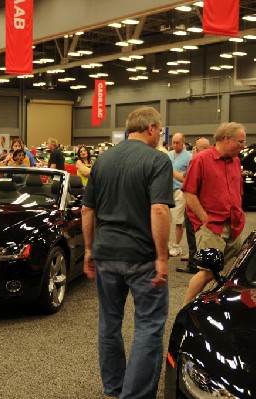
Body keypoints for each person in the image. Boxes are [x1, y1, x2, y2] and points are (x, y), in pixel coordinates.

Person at [82, 106, 173, 399]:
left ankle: (114, 387)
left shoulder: (103, 160)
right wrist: (161, 256)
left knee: (109, 322)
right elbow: (158, 208)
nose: (160, 135)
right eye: (160, 130)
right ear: (150, 128)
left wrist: (87, 249)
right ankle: (134, 395)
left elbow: (87, 209)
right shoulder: (157, 160)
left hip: (106, 253)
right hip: (142, 256)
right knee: (148, 325)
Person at [181, 123, 246, 306]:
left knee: (235, 267)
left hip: (234, 224)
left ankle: (216, 302)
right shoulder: (201, 160)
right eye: (240, 141)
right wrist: (204, 219)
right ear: (226, 139)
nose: (243, 145)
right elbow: (189, 193)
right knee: (207, 271)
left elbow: (236, 191)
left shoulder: (235, 161)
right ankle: (185, 310)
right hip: (212, 226)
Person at [178, 137, 211, 273]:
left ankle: (194, 263)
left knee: (193, 234)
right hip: (207, 205)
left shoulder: (196, 160)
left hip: (194, 205)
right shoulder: (212, 160)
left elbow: (186, 181)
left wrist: (171, 171)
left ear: (196, 148)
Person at [167, 133, 192, 258]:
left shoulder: (189, 157)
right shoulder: (169, 155)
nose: (175, 145)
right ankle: (166, 244)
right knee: (166, 218)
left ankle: (176, 246)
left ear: (183, 142)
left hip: (180, 191)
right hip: (167, 190)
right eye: (173, 142)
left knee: (178, 220)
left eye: (178, 143)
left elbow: (189, 178)